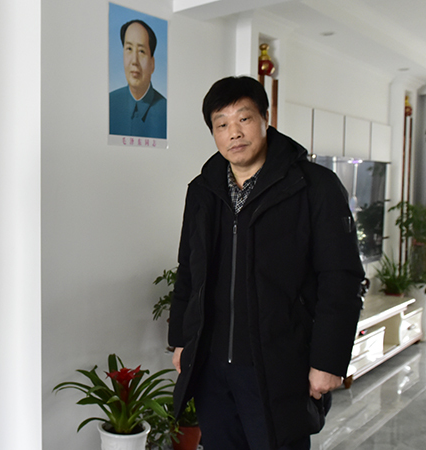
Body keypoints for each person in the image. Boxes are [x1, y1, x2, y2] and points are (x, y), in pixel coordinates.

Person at [168, 76, 365, 450]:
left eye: (244, 118)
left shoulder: (314, 186)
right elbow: (190, 269)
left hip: (280, 365)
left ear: (265, 118)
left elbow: (341, 279)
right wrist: (181, 340)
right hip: (212, 368)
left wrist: (328, 360)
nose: (234, 133)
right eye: (222, 124)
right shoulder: (202, 190)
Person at [109, 19, 167, 139]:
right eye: (129, 49)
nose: (134, 61)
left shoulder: (165, 110)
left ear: (152, 63)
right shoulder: (109, 103)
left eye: (141, 51)